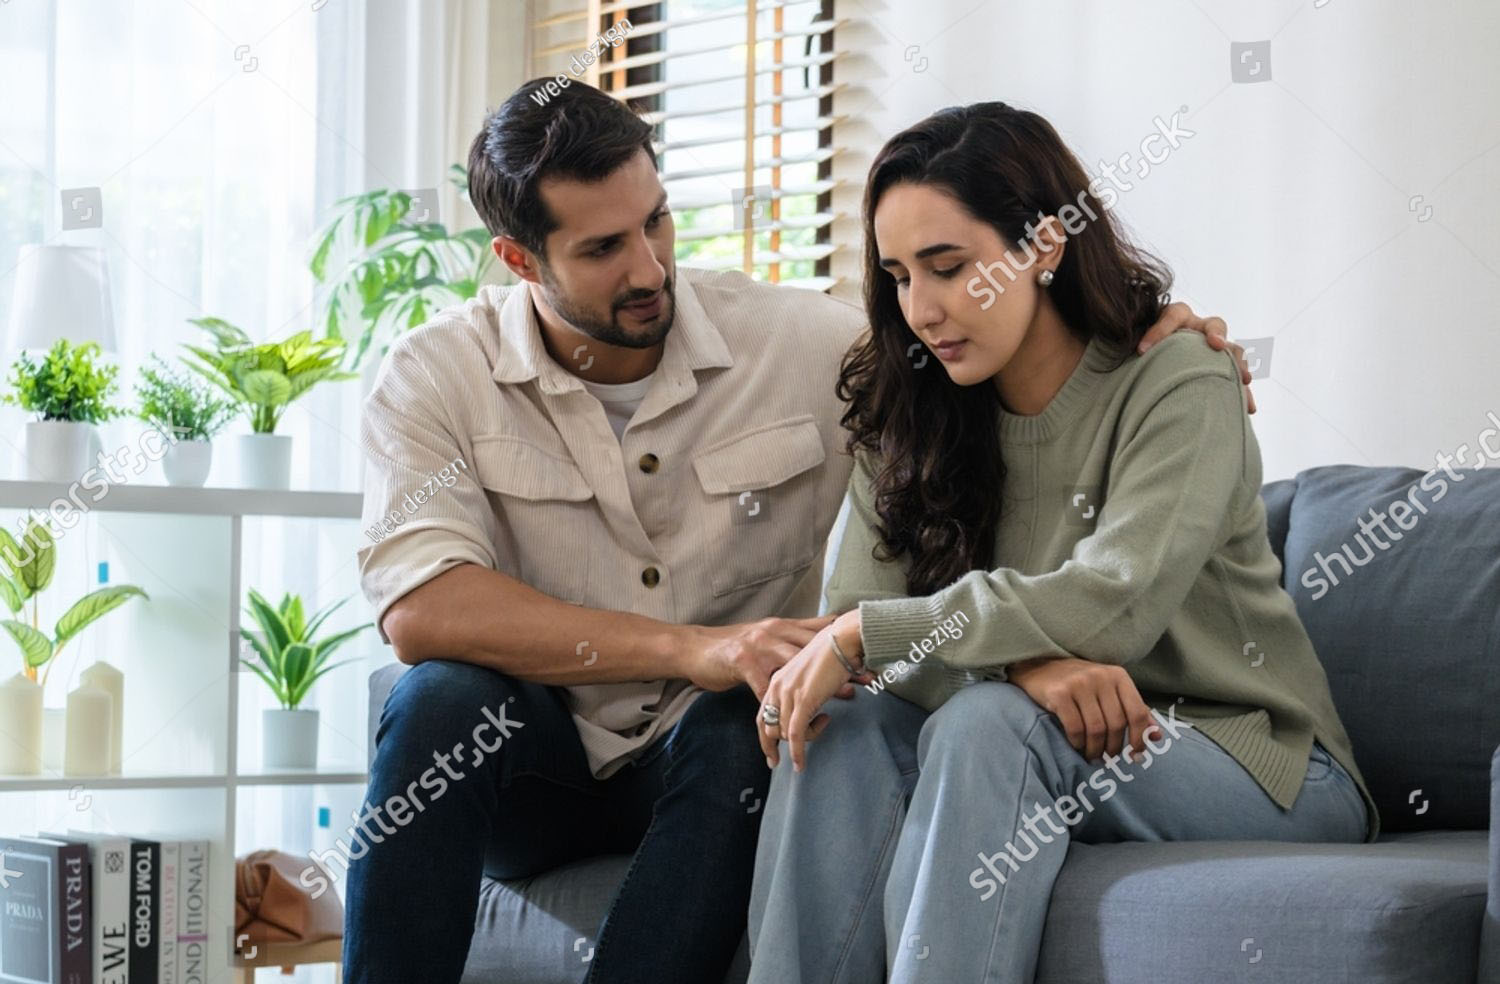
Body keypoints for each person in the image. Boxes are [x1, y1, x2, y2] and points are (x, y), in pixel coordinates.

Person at [343, 80, 1245, 984]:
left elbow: (972, 339)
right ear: (519, 258)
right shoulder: (436, 377)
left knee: (770, 714)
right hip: (536, 769)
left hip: (713, 755)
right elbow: (423, 610)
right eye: (604, 248)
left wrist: (1159, 336)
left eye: (656, 222)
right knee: (437, 702)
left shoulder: (812, 345)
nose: (651, 268)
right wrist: (689, 646)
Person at [747, 101, 1379, 984]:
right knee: (845, 722)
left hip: (1252, 759)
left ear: (1044, 246)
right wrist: (1020, 666)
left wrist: (909, 650)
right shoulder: (915, 409)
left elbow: (1110, 603)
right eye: (897, 275)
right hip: (1055, 730)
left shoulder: (1178, 380)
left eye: (948, 267)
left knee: (989, 725)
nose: (921, 309)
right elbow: (857, 626)